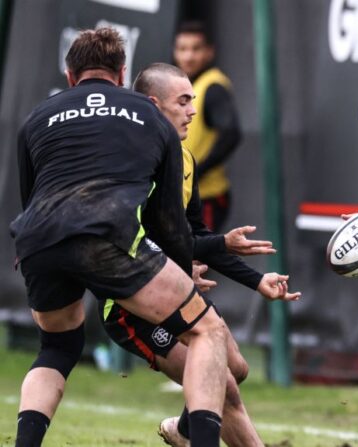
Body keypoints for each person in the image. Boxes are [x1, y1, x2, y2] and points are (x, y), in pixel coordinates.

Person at [11, 28, 232, 447]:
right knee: (207, 331)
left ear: (70, 75)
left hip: (38, 238)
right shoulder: (148, 114)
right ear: (122, 72)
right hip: (109, 235)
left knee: (57, 346)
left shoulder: (38, 117)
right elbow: (170, 221)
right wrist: (183, 278)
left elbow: (31, 197)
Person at [98, 62, 300, 447]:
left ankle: (185, 430)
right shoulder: (132, 163)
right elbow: (139, 240)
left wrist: (257, 280)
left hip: (173, 290)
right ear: (153, 105)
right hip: (130, 306)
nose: (193, 110)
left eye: (193, 100)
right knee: (222, 387)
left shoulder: (184, 159)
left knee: (235, 368)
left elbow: (194, 235)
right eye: (184, 101)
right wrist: (216, 246)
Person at [173, 20, 241, 231]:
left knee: (198, 259)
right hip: (188, 197)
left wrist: (197, 171)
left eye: (196, 49)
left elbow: (231, 134)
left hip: (206, 199)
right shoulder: (190, 86)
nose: (188, 56)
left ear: (210, 52)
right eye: (182, 49)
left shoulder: (213, 86)